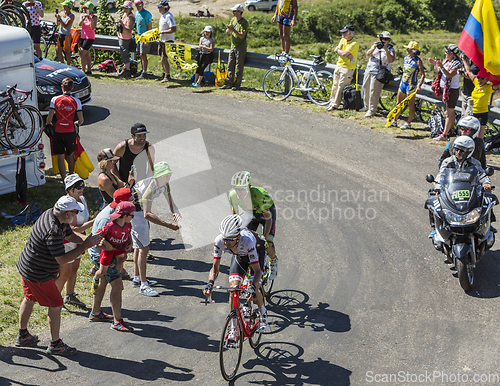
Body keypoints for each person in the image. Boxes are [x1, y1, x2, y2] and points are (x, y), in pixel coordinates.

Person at [15, 196, 101, 356]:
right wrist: (84, 245)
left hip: (28, 267)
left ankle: (23, 335)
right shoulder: (52, 231)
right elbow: (62, 259)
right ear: (67, 214)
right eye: (75, 212)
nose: (77, 215)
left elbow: (69, 235)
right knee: (55, 305)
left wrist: (88, 239)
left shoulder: (52, 214)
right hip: (38, 273)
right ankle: (55, 344)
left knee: (29, 297)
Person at [203, 215, 268, 340]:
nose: (225, 243)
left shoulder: (247, 241)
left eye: (229, 240)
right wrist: (210, 283)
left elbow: (257, 270)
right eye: (224, 239)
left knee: (253, 288)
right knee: (233, 290)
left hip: (256, 251)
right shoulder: (220, 241)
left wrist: (253, 286)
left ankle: (262, 311)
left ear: (238, 237)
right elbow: (215, 269)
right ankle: (233, 327)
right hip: (239, 256)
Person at [130, 161, 181, 296]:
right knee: (144, 248)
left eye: (169, 174)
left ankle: (136, 278)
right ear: (158, 176)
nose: (168, 177)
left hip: (139, 213)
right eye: (166, 175)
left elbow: (170, 200)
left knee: (138, 246)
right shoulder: (150, 188)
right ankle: (143, 285)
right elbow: (147, 214)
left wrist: (174, 211)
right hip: (136, 213)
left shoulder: (165, 184)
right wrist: (168, 226)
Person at [88, 188, 133, 323]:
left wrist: (128, 243)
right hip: (100, 253)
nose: (133, 201)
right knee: (117, 284)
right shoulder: (107, 219)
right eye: (130, 200)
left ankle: (95, 312)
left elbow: (126, 231)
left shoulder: (121, 215)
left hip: (113, 251)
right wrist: (113, 248)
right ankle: (117, 322)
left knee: (106, 280)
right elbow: (96, 241)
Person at [55, 174, 95, 310]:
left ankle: (69, 295)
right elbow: (71, 229)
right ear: (69, 189)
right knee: (64, 273)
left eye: (82, 185)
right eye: (77, 187)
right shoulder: (67, 204)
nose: (81, 189)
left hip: (79, 239)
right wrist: (92, 222)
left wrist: (91, 222)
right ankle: (55, 300)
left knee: (75, 269)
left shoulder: (82, 199)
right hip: (68, 240)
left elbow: (85, 219)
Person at [228, 171, 278, 279]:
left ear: (249, 186)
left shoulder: (257, 194)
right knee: (244, 241)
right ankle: (248, 272)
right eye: (236, 188)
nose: (238, 192)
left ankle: (273, 261)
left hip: (267, 215)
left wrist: (264, 238)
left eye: (241, 189)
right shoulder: (232, 195)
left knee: (267, 243)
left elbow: (269, 219)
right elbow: (235, 217)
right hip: (252, 215)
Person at [46, 77, 84, 180]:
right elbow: (81, 120)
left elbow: (49, 118)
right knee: (70, 155)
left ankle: (64, 180)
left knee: (60, 156)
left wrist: (47, 123)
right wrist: (77, 123)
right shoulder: (77, 101)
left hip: (58, 131)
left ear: (61, 87)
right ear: (72, 87)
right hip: (70, 131)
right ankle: (71, 176)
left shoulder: (55, 99)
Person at [462, 54, 500, 139]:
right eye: (478, 77)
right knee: (470, 135)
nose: (479, 80)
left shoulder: (489, 88)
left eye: (482, 78)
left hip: (482, 114)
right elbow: (469, 71)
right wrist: (464, 60)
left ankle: (480, 151)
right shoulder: (476, 82)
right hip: (473, 112)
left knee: (479, 137)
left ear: (486, 80)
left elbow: (498, 82)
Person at [388, 41, 425, 129]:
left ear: (413, 50)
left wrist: (419, 85)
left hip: (411, 85)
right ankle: (394, 121)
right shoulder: (405, 58)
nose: (407, 50)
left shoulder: (418, 61)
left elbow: (423, 74)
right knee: (398, 103)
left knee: (410, 105)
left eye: (408, 49)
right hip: (403, 83)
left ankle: (408, 123)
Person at [431, 44, 463, 141]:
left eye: (447, 52)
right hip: (445, 89)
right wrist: (436, 65)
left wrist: (442, 67)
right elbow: (438, 72)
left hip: (452, 90)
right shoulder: (446, 60)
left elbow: (449, 75)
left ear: (452, 53)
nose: (445, 53)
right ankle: (450, 129)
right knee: (449, 112)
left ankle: (444, 135)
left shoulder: (457, 63)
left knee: (448, 113)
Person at [362, 31, 396, 118]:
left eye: (386, 39)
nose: (383, 40)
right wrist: (374, 47)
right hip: (369, 70)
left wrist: (385, 49)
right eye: (382, 39)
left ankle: (372, 110)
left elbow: (391, 60)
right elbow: (368, 54)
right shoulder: (376, 47)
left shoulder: (390, 49)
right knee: (366, 89)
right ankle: (366, 106)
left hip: (379, 73)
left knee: (374, 91)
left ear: (389, 40)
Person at [326, 24, 359, 111]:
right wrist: (340, 51)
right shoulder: (343, 40)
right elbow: (337, 51)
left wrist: (339, 51)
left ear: (350, 33)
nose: (343, 34)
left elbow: (343, 53)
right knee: (334, 85)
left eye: (345, 32)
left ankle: (335, 105)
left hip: (347, 68)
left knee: (340, 87)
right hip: (339, 65)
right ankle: (331, 102)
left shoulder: (354, 43)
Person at [220, 4, 248, 91]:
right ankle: (228, 83)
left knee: (239, 67)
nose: (233, 12)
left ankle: (237, 84)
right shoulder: (232, 19)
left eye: (235, 11)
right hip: (233, 46)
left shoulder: (244, 22)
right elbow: (227, 33)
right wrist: (228, 29)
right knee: (230, 65)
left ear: (239, 12)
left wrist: (233, 30)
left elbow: (241, 36)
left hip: (240, 47)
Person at [157, 0, 176, 83]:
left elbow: (173, 29)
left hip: (168, 40)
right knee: (161, 58)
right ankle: (164, 73)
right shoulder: (163, 16)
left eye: (160, 7)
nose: (158, 9)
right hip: (162, 40)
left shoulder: (169, 16)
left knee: (164, 58)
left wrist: (163, 32)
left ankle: (167, 75)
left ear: (165, 8)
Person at [134, 0, 153, 80]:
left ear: (142, 5)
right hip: (139, 36)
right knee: (140, 54)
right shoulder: (136, 13)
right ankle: (142, 70)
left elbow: (149, 27)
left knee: (143, 54)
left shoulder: (147, 14)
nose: (138, 7)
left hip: (145, 36)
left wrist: (147, 40)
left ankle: (144, 72)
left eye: (140, 5)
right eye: (137, 5)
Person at [117, 1, 136, 79]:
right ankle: (125, 69)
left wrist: (122, 24)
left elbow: (129, 29)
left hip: (126, 38)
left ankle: (127, 70)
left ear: (129, 9)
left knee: (124, 54)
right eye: (124, 8)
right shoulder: (125, 15)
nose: (124, 9)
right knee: (123, 54)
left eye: (126, 8)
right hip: (121, 36)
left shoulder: (130, 17)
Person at [78, 1, 97, 75]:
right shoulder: (82, 15)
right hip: (83, 36)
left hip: (90, 37)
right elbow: (80, 24)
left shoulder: (94, 17)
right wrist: (83, 18)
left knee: (81, 53)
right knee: (87, 53)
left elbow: (92, 28)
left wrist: (91, 19)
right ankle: (89, 69)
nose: (84, 10)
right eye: (84, 9)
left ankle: (83, 70)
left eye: (86, 9)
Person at [55, 0, 75, 65]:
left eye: (65, 6)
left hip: (67, 35)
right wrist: (57, 18)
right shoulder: (62, 13)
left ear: (69, 7)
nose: (63, 7)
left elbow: (66, 26)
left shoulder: (71, 16)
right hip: (60, 34)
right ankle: (63, 64)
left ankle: (68, 66)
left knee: (67, 53)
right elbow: (58, 24)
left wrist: (60, 19)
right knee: (58, 51)